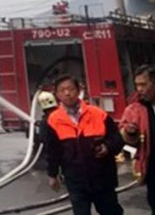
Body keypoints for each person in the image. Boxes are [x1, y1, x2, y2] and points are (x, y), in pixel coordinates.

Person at [45, 74, 124, 215]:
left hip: (102, 178)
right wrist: (52, 174)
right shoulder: (53, 120)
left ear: (78, 90)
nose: (67, 93)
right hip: (76, 180)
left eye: (70, 89)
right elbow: (53, 150)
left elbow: (118, 139)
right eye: (62, 90)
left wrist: (107, 147)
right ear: (56, 94)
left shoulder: (98, 114)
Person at [120, 64, 155, 214]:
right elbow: (128, 140)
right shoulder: (134, 109)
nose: (139, 89)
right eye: (137, 85)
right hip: (154, 171)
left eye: (143, 84)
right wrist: (130, 133)